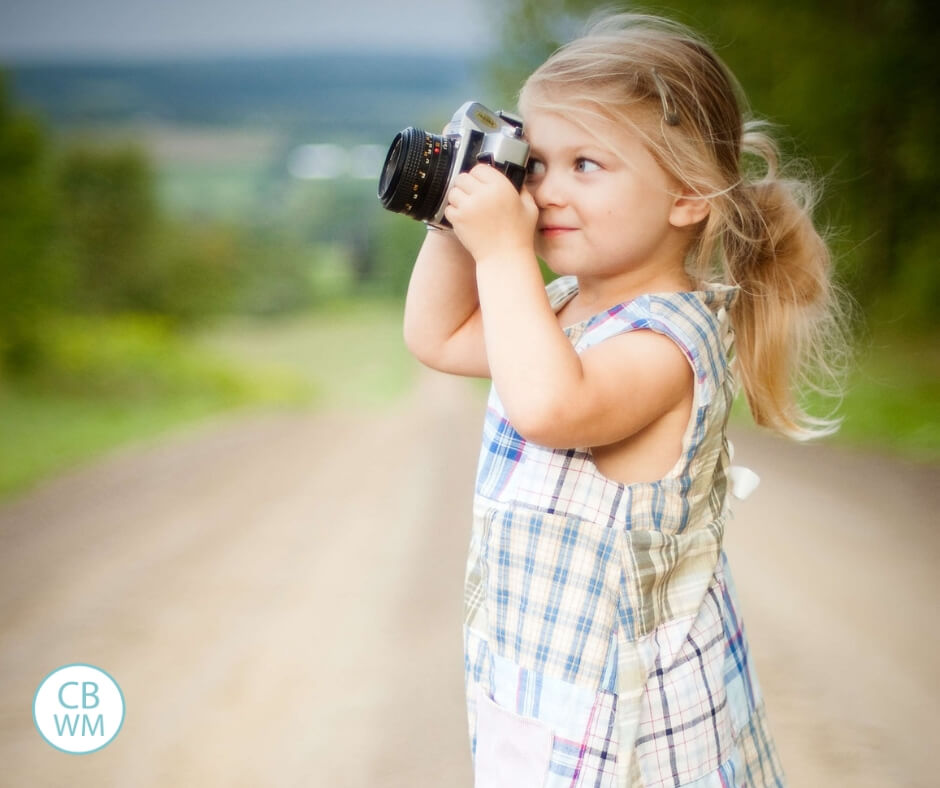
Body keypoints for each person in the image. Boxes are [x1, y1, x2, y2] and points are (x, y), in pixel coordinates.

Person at [403, 11, 845, 787]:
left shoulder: (669, 343)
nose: (547, 191)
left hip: (640, 732)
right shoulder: (566, 304)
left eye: (587, 165)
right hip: (544, 687)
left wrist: (504, 248)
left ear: (687, 196)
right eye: (535, 164)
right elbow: (438, 338)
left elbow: (548, 407)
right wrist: (455, 213)